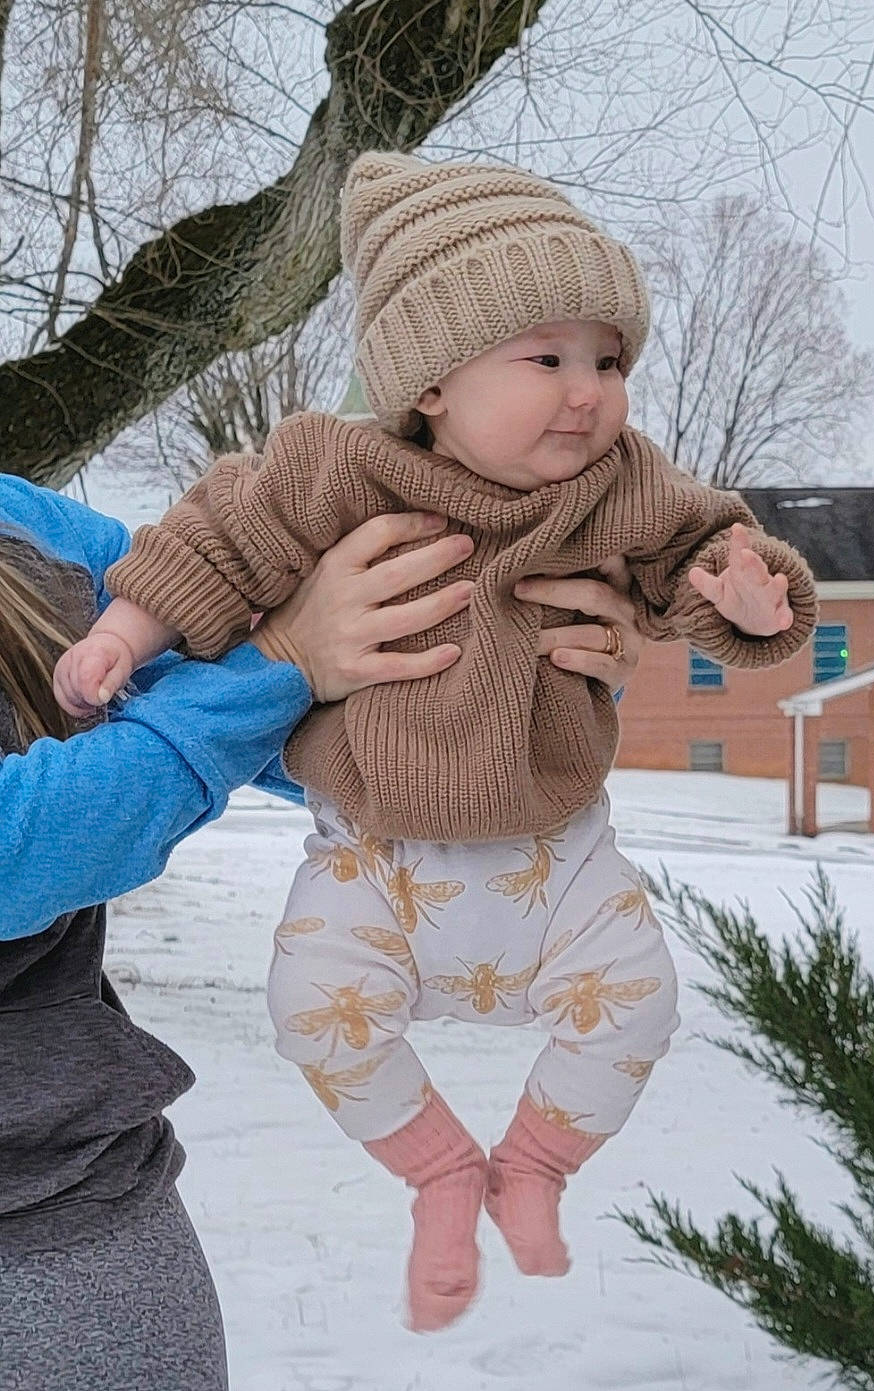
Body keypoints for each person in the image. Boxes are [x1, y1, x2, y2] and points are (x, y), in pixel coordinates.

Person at [57, 152, 818, 1333]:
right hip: (372, 853)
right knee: (312, 1003)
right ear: (429, 384)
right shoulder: (333, 468)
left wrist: (750, 598)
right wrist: (120, 633)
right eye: (548, 358)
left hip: (555, 851)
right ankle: (440, 1174)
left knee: (639, 1000)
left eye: (608, 360)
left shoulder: (621, 486)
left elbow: (701, 556)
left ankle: (536, 1166)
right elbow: (214, 542)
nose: (589, 391)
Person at [0, 472, 642, 1391]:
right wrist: (283, 660)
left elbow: (302, 707)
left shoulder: (24, 528)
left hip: (79, 1230)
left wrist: (521, 672)